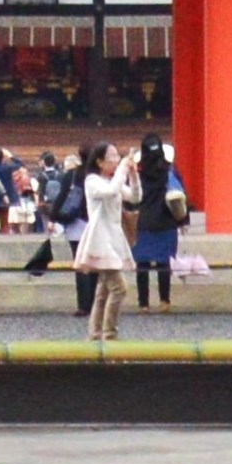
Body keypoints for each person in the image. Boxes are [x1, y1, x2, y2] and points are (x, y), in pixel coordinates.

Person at [71, 139, 135, 339]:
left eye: (117, 156)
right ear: (99, 162)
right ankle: (109, 332)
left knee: (103, 291)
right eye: (112, 157)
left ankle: (96, 333)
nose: (116, 160)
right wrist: (123, 169)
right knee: (119, 288)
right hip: (101, 240)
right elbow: (112, 192)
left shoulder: (109, 181)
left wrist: (132, 174)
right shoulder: (92, 182)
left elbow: (134, 196)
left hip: (113, 239)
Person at [127, 140, 184, 312]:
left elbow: (131, 198)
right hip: (165, 222)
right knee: (163, 263)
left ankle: (143, 303)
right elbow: (180, 196)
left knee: (142, 265)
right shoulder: (169, 172)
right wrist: (182, 220)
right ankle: (165, 301)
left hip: (143, 223)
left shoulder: (138, 173)